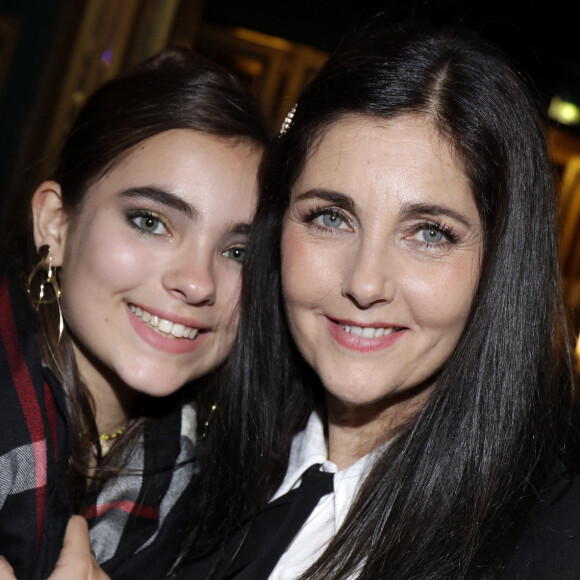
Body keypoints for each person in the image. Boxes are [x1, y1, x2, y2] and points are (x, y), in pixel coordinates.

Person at [174, 20, 580, 579]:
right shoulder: (187, 462)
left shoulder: (552, 548)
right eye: (330, 217)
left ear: (500, 267)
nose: (365, 283)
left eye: (430, 233)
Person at [0, 46, 270, 580]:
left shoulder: (215, 490)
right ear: (56, 225)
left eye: (238, 252)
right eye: (150, 221)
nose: (197, 282)